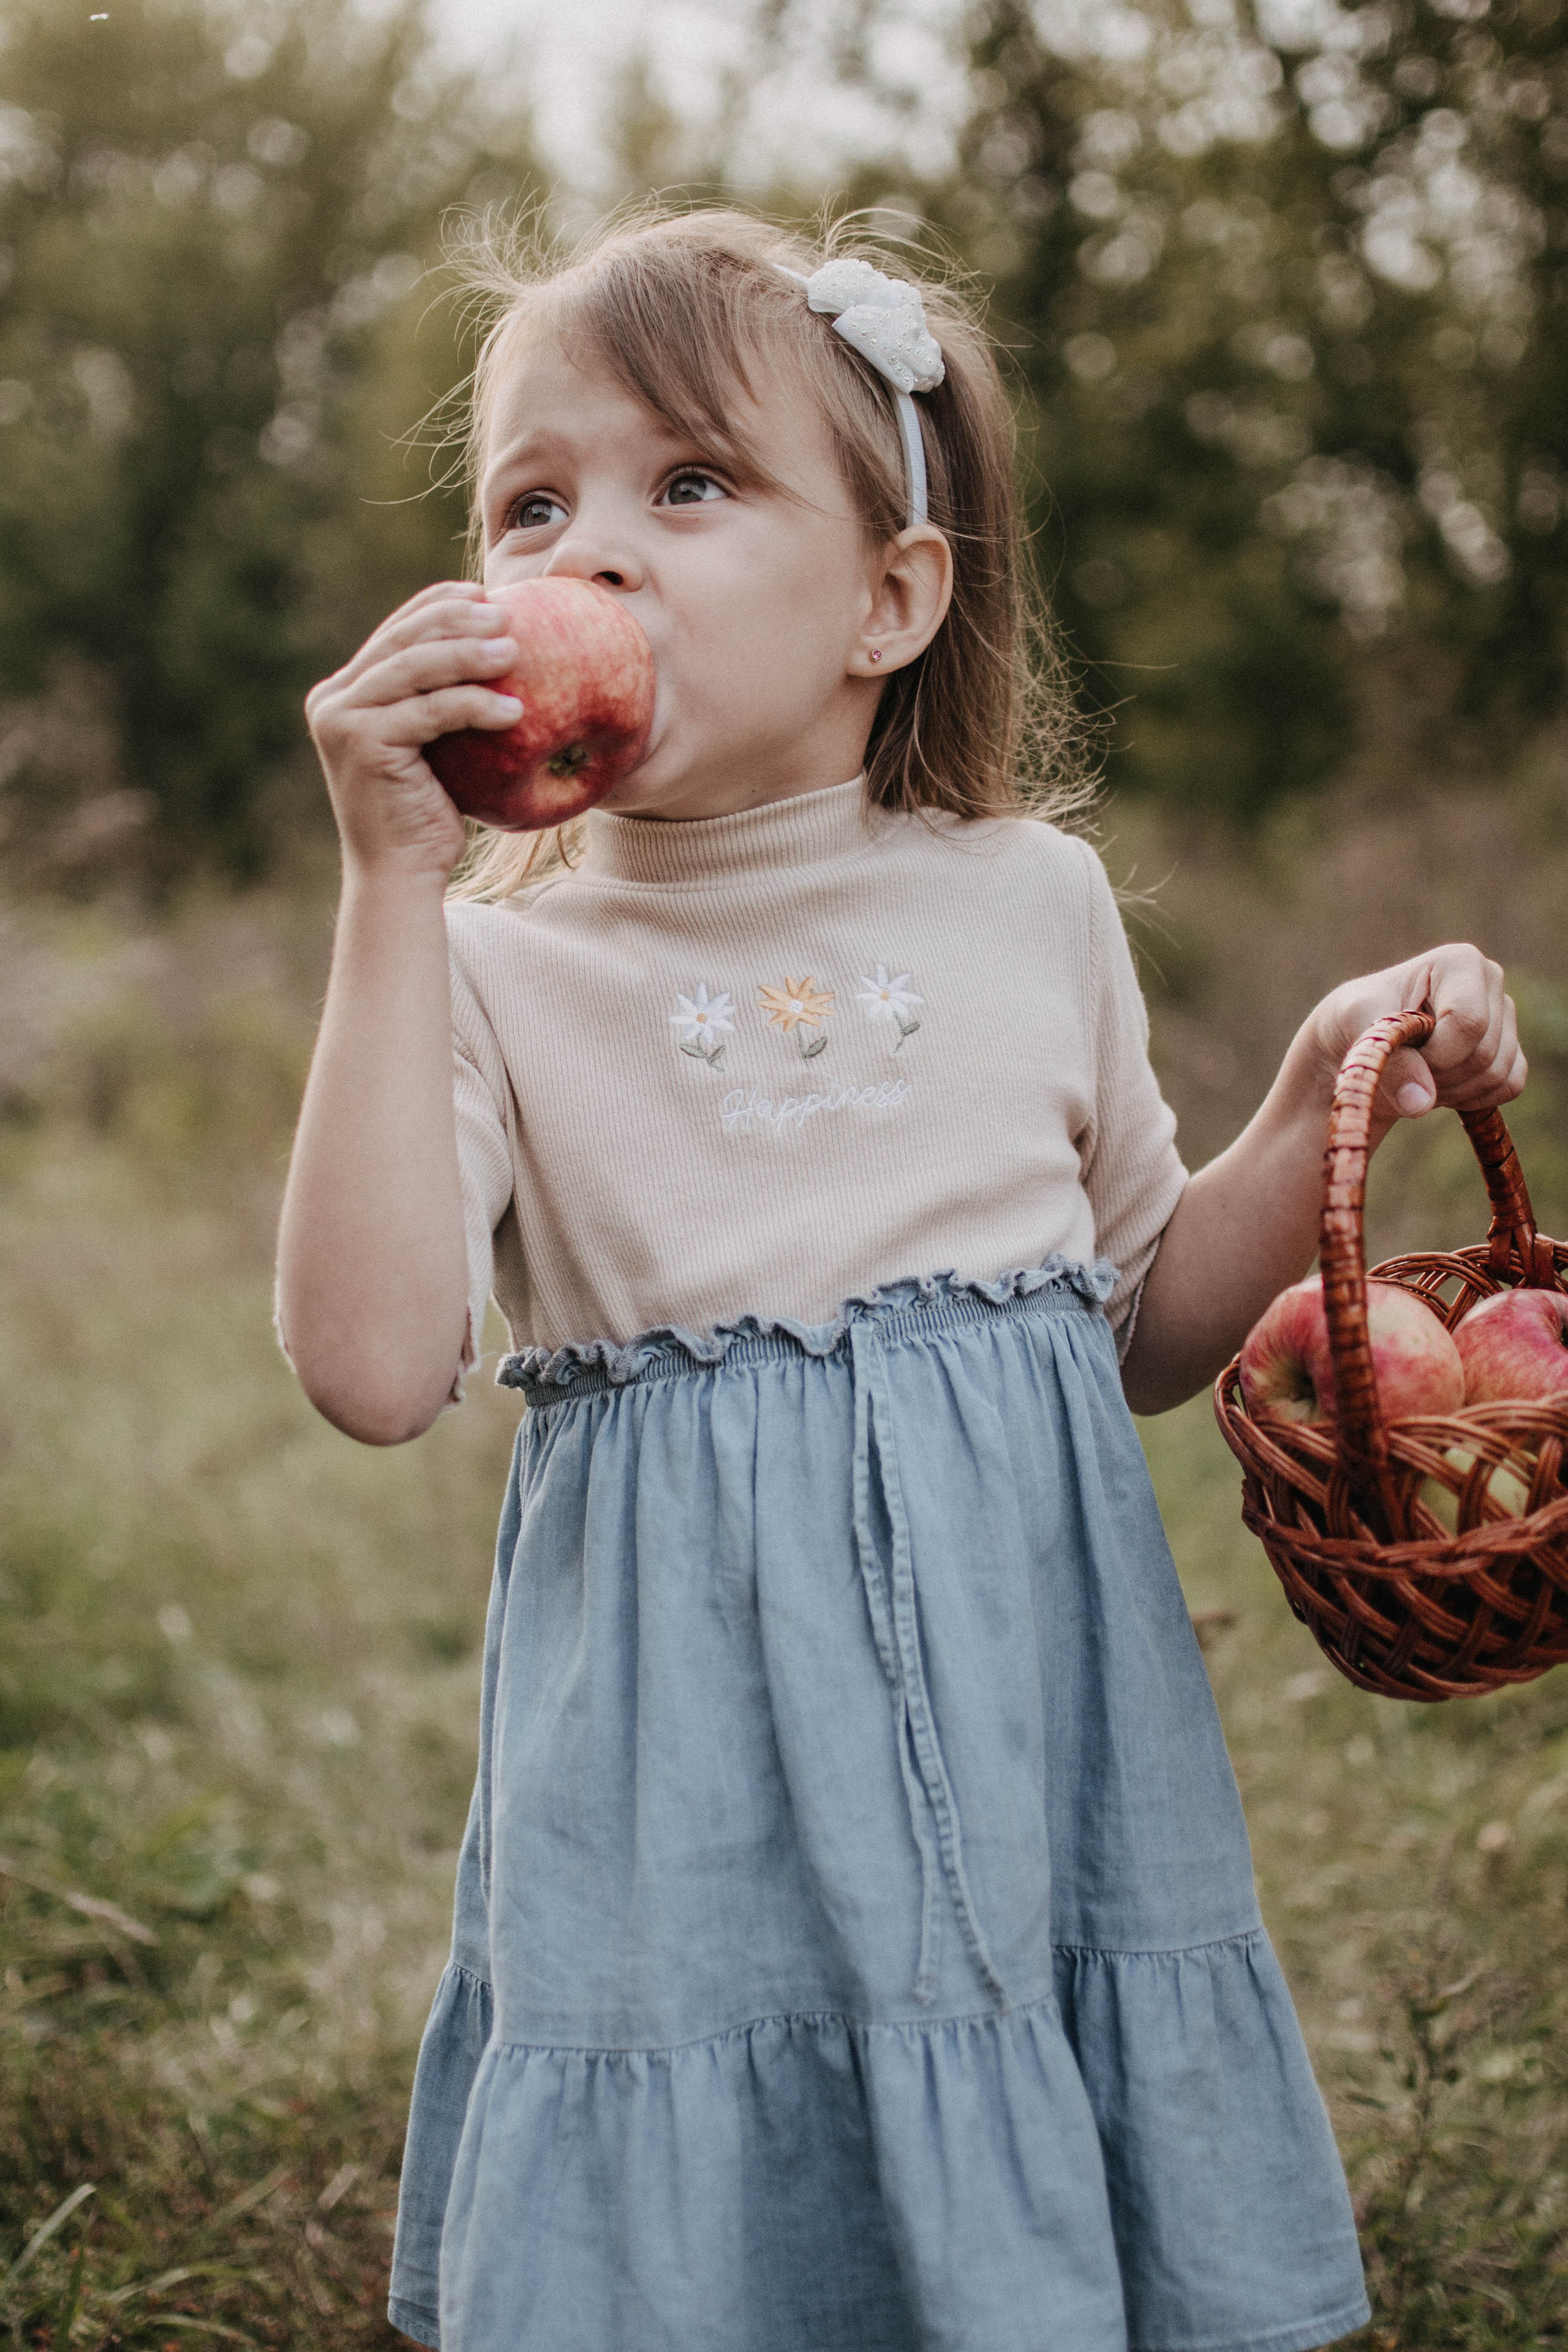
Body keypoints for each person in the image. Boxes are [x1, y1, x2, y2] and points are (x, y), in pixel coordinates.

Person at [274, 207, 1523, 2352]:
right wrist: (394, 890)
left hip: (1028, 1751)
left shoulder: (1030, 905)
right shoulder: (495, 971)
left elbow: (1132, 1318)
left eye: (688, 484)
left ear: (890, 595)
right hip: (693, 1785)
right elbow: (378, 1372)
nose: (588, 555)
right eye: (530, 503)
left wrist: (1316, 1078)